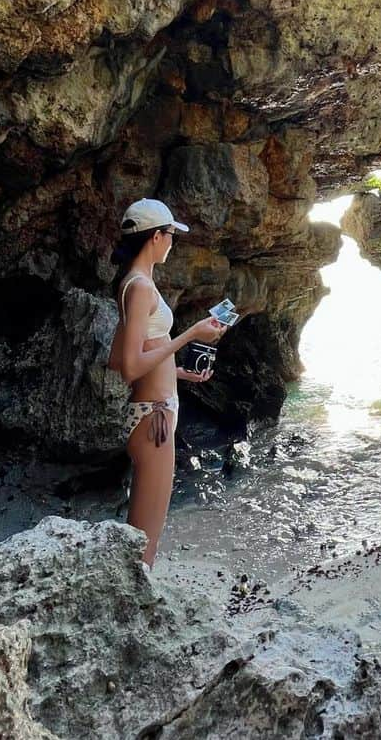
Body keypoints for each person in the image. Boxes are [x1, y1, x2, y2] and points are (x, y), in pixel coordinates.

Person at [106, 197, 225, 566]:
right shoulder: (139, 287)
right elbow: (128, 368)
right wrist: (189, 335)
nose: (173, 241)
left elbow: (116, 357)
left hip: (154, 414)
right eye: (171, 234)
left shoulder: (136, 284)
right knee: (144, 542)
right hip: (151, 419)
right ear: (156, 237)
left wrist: (178, 372)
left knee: (144, 537)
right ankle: (132, 614)